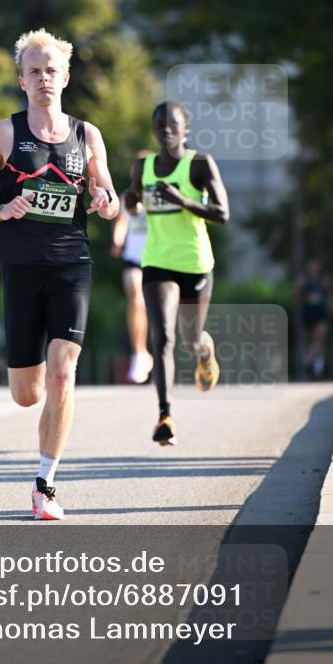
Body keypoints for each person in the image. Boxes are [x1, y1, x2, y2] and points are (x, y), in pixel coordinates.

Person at [0, 28, 118, 519]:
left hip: (72, 264)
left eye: (52, 70)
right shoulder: (4, 134)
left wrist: (103, 200)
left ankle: (45, 484)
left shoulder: (87, 136)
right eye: (34, 71)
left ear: (65, 77)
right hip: (22, 270)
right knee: (28, 395)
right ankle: (42, 413)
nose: (44, 78)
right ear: (22, 80)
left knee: (63, 371)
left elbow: (110, 201)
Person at [126, 101, 229, 447]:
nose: (165, 130)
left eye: (172, 125)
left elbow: (222, 212)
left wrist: (182, 199)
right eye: (159, 125)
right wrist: (130, 201)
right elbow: (132, 201)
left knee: (190, 338)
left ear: (186, 129)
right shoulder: (143, 166)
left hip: (196, 262)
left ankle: (204, 351)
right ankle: (164, 415)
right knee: (163, 336)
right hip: (157, 261)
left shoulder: (199, 164)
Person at [111, 151, 152, 384]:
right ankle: (139, 353)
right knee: (137, 300)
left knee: (156, 311)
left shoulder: (161, 197)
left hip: (157, 261)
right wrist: (117, 241)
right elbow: (121, 223)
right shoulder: (128, 196)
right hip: (133, 260)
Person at [294, 259, 330, 380]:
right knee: (311, 341)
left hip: (320, 314)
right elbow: (295, 297)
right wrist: (300, 290)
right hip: (308, 314)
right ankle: (309, 362)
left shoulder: (322, 280)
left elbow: (329, 294)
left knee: (320, 338)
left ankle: (318, 368)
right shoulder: (304, 281)